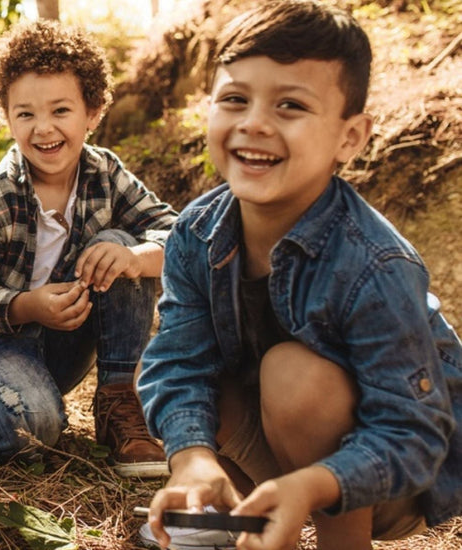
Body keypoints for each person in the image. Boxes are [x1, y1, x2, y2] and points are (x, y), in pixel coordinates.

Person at [137, 1, 462, 549]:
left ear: (350, 138)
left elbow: (412, 431)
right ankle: (241, 523)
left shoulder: (376, 264)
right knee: (205, 380)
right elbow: (177, 359)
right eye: (235, 99)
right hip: (277, 447)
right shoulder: (196, 230)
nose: (255, 123)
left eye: (290, 105)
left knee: (293, 375)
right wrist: (190, 459)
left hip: (385, 474)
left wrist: (313, 485)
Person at [0, 19, 178, 477]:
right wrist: (26, 307)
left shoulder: (105, 173)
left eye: (61, 110)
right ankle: (3, 408)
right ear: (6, 118)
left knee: (118, 246)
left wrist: (136, 258)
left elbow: (179, 234)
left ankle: (119, 400)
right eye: (25, 114)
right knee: (34, 431)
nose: (43, 129)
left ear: (93, 112)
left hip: (62, 345)